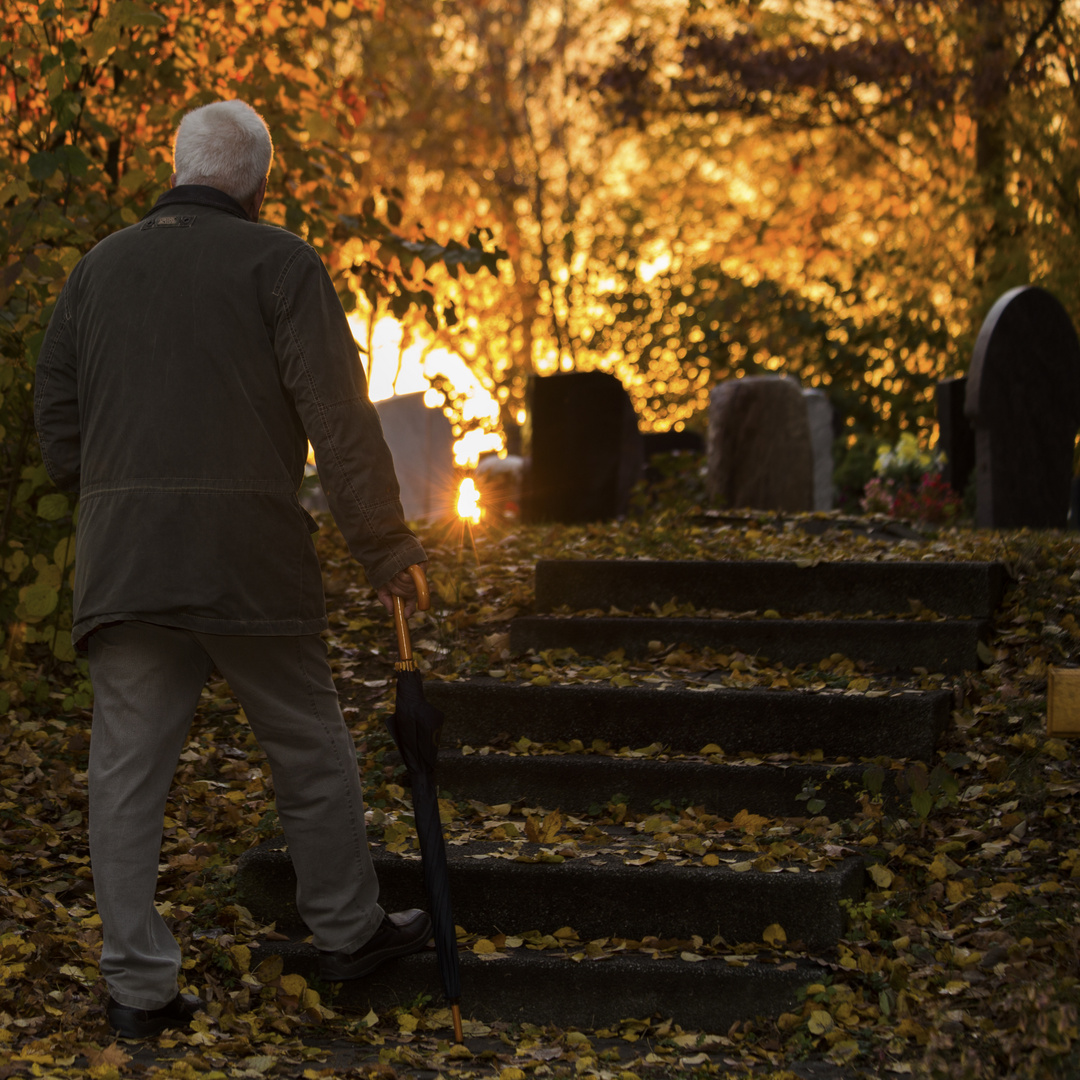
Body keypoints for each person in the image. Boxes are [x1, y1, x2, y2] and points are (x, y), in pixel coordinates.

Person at [34, 100, 432, 1040]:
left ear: (174, 167)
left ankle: (138, 990)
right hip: (250, 560)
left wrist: (120, 494)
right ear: (257, 182)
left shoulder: (96, 270)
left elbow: (59, 412)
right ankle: (346, 930)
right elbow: (337, 417)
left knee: (125, 779)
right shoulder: (280, 264)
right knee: (308, 749)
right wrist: (382, 544)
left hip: (126, 564)